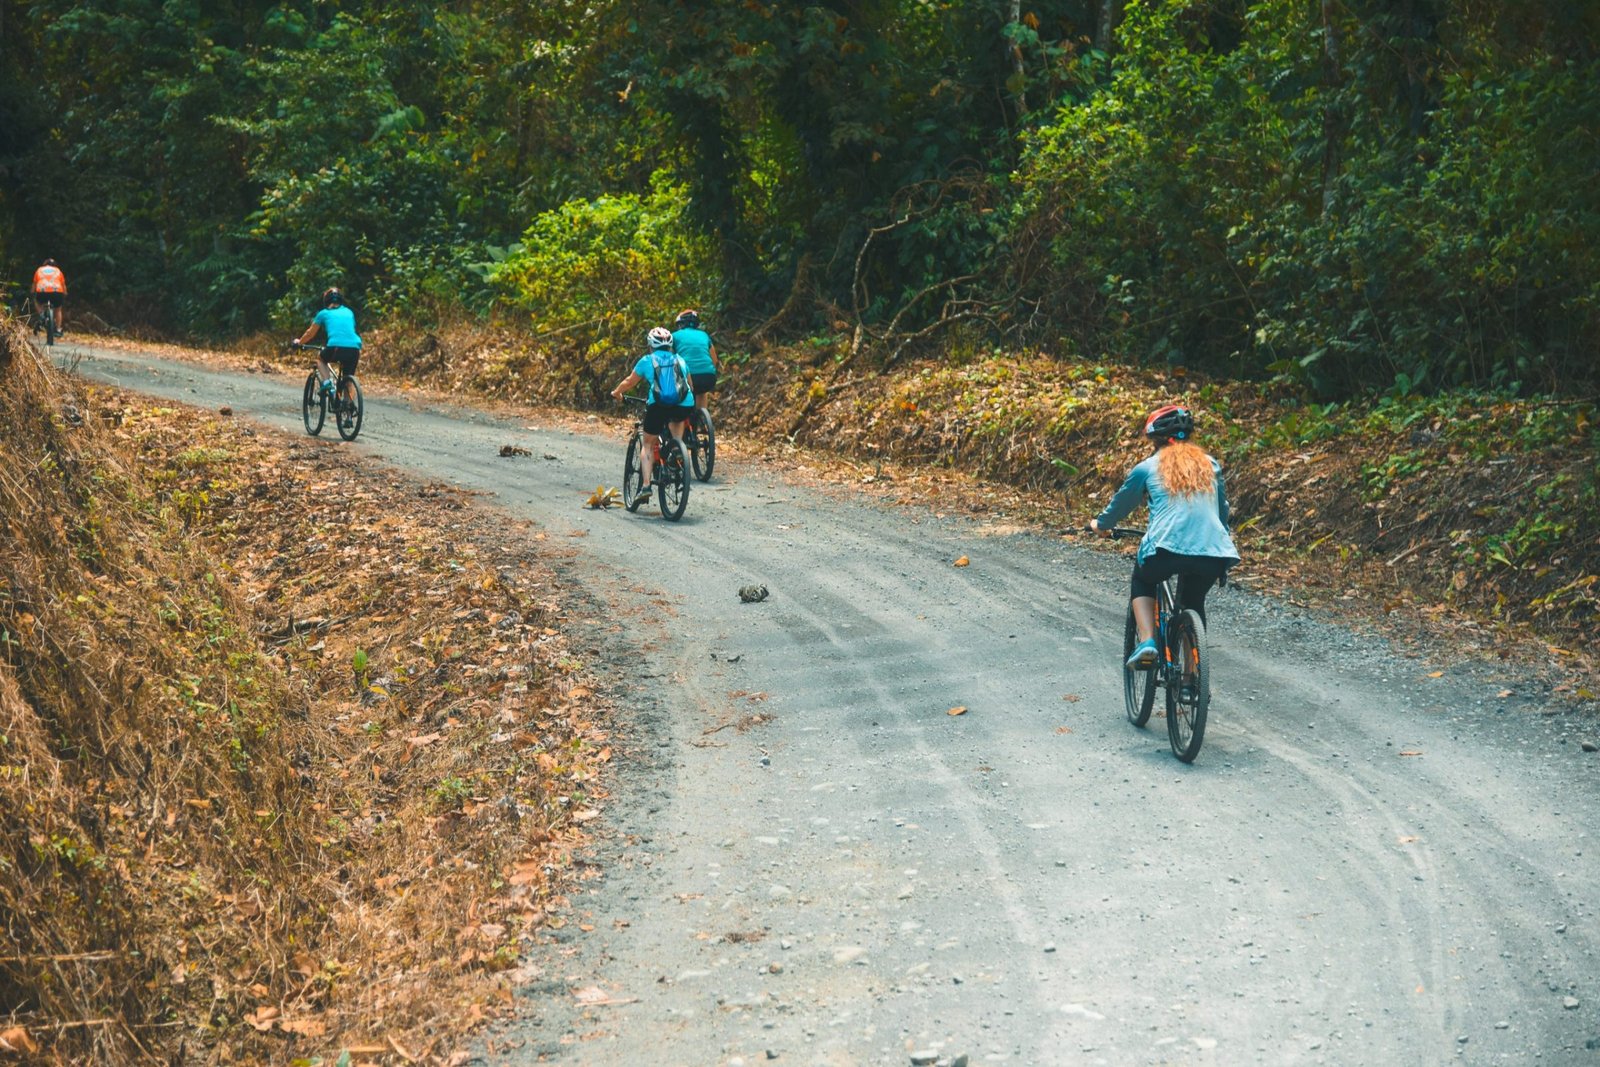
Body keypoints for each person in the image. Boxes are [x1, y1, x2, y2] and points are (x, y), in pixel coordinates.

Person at [1089, 405, 1240, 668]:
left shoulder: (1147, 468)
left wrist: (1100, 525)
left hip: (1165, 550)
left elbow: (1120, 505)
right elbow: (1221, 511)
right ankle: (1191, 679)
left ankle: (1147, 642)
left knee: (1143, 578)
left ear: (1155, 440)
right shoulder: (1211, 465)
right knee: (1193, 602)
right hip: (1213, 553)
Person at [610, 326, 694, 490]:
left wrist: (617, 392)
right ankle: (678, 455)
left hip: (659, 405)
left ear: (650, 345)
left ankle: (646, 486)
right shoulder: (680, 359)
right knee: (677, 427)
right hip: (684, 404)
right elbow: (690, 384)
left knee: (648, 444)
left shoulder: (647, 360)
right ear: (670, 345)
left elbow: (629, 381)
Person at [294, 287, 362, 410]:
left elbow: (310, 333)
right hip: (354, 349)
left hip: (336, 347)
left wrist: (300, 342)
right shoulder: (349, 312)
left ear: (326, 300)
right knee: (348, 379)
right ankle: (348, 414)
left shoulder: (324, 313)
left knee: (321, 360)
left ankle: (327, 384)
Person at [671, 308, 719, 414]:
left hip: (687, 377)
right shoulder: (704, 335)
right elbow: (714, 360)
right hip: (709, 377)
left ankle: (681, 424)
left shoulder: (674, 336)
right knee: (702, 392)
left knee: (678, 395)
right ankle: (702, 420)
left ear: (680, 324)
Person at [32, 259, 67, 335]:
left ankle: (41, 315)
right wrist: (64, 294)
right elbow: (63, 285)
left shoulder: (40, 270)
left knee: (37, 301)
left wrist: (32, 292)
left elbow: (34, 284)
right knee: (58, 310)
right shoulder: (58, 270)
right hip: (57, 292)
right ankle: (58, 329)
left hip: (42, 292)